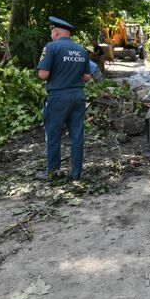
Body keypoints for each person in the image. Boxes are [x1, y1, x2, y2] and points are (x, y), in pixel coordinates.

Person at [37, 16, 91, 180]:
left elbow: (43, 74)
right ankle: (76, 173)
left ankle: (54, 172)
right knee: (77, 136)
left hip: (58, 97)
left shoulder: (51, 47)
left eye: (52, 33)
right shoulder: (81, 49)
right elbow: (87, 77)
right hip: (78, 96)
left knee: (53, 135)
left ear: (56, 32)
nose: (51, 36)